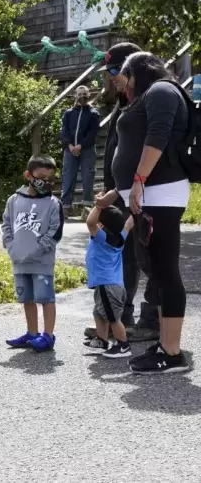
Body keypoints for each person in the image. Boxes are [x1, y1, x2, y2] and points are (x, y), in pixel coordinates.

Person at [100, 51, 191, 374]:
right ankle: (167, 345)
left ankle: (172, 351)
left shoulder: (162, 91)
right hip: (150, 193)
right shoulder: (152, 94)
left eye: (123, 81)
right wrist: (120, 189)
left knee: (165, 270)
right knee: (157, 269)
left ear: (137, 72)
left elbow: (158, 135)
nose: (122, 89)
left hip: (160, 192)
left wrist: (137, 181)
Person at [87, 41, 159, 342]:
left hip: (144, 196)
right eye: (110, 71)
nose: (112, 77)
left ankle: (151, 320)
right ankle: (118, 315)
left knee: (150, 259)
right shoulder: (125, 102)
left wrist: (123, 189)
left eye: (116, 70)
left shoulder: (148, 101)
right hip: (121, 194)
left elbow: (148, 152)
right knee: (126, 258)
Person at [3, 155, 64, 352]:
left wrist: (39, 248)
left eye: (49, 179)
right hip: (19, 260)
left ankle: (48, 335)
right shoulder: (14, 200)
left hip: (42, 262)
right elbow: (6, 225)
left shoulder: (54, 203)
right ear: (28, 175)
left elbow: (56, 231)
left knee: (45, 298)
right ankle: (32, 333)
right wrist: (10, 245)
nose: (45, 183)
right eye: (40, 177)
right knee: (26, 298)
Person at [82, 204, 134, 358]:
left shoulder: (101, 237)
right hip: (109, 285)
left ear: (101, 224)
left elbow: (90, 223)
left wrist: (99, 206)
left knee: (112, 317)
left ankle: (123, 345)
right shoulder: (120, 238)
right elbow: (128, 225)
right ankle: (102, 340)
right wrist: (136, 211)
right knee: (99, 313)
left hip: (107, 285)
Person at [60, 86, 100, 213]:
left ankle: (87, 206)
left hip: (87, 149)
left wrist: (80, 145)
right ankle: (66, 206)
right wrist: (70, 145)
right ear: (75, 95)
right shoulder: (68, 113)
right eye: (79, 94)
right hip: (70, 150)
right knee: (68, 176)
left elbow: (93, 133)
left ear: (89, 95)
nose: (82, 96)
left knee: (88, 176)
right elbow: (64, 132)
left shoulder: (94, 113)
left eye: (85, 94)